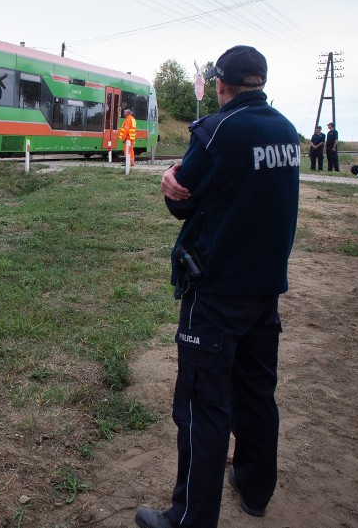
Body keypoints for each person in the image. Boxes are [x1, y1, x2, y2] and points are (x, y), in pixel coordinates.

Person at [135, 45, 300, 528]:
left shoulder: (218, 131)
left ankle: (189, 518)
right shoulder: (286, 130)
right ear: (261, 82)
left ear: (221, 84)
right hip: (264, 290)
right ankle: (254, 487)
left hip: (216, 290)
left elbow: (183, 199)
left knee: (203, 404)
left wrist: (168, 179)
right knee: (256, 393)